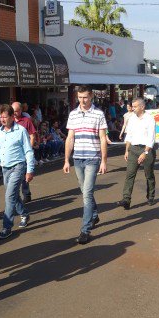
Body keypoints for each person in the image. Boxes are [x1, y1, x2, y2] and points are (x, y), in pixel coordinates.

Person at [62, 85, 108, 245]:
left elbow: (102, 138)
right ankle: (94, 215)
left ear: (91, 97)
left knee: (87, 194)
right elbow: (70, 138)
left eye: (85, 97)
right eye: (80, 97)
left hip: (93, 159)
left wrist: (103, 160)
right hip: (78, 159)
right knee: (84, 191)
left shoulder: (98, 114)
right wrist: (66, 159)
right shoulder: (73, 114)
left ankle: (85, 230)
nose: (82, 100)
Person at [0, 104, 36, 240]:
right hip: (5, 168)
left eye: (5, 116)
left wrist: (30, 170)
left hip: (18, 166)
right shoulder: (0, 131)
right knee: (13, 196)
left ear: (12, 117)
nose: (2, 119)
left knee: (9, 196)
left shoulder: (20, 131)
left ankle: (6, 227)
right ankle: (25, 214)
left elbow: (28, 151)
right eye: (0, 117)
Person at [118, 98, 156, 210]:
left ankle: (150, 196)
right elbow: (129, 135)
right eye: (132, 106)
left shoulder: (150, 119)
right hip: (133, 149)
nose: (132, 108)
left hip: (146, 149)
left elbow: (151, 138)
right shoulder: (132, 119)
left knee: (148, 175)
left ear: (142, 107)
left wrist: (145, 153)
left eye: (135, 107)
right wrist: (126, 150)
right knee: (130, 174)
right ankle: (126, 199)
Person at [11, 101, 37, 203]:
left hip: (24, 151)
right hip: (14, 152)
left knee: (24, 173)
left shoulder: (26, 121)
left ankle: (26, 193)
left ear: (21, 110)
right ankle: (14, 195)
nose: (14, 113)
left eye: (16, 111)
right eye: (13, 111)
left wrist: (28, 150)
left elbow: (32, 136)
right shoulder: (10, 121)